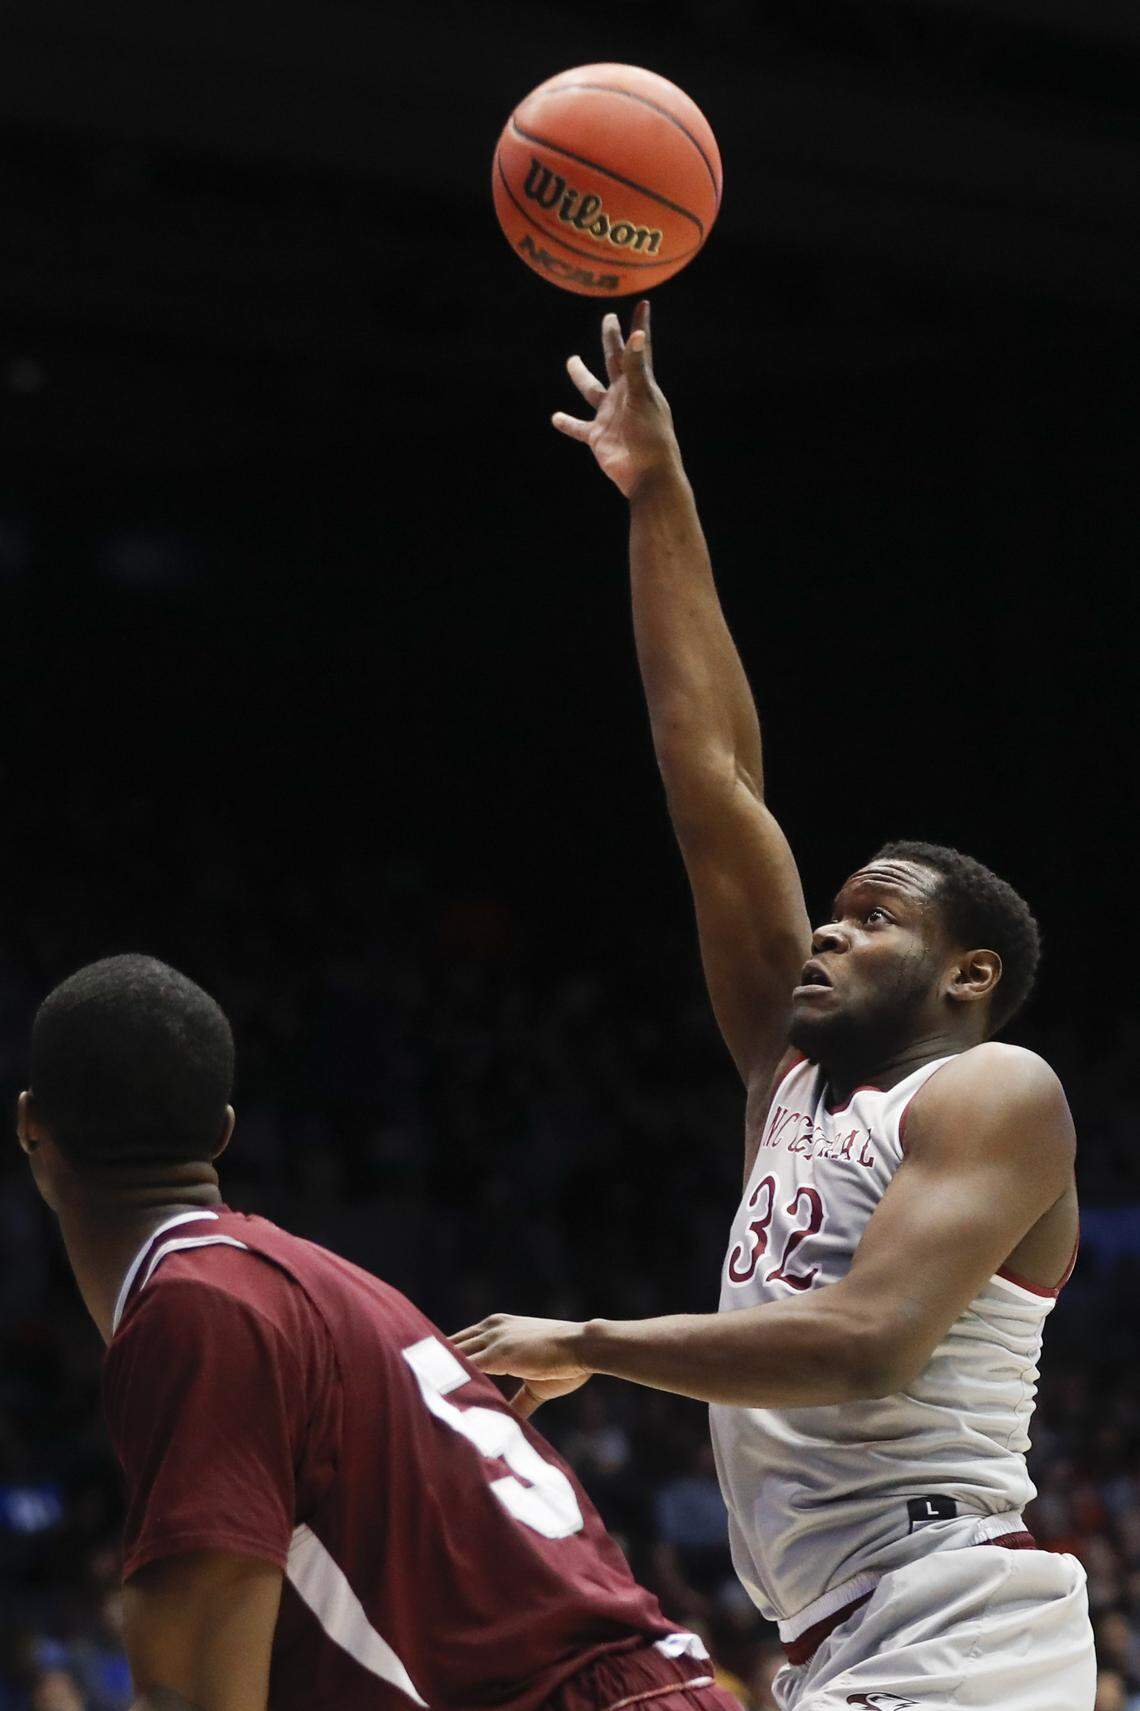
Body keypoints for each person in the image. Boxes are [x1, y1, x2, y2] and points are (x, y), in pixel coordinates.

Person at [453, 305, 1097, 1709]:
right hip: (839, 1638)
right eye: (834, 902)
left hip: (957, 1626)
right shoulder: (788, 1073)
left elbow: (865, 1343)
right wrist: (655, 486)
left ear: (967, 975)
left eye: (876, 914)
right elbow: (711, 773)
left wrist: (591, 1341)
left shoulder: (996, 1091)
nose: (826, 921)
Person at [17, 954, 741, 1711]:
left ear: (29, 1123)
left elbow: (191, 1696)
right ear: (223, 1134)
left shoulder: (195, 1309)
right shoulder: (315, 1281)